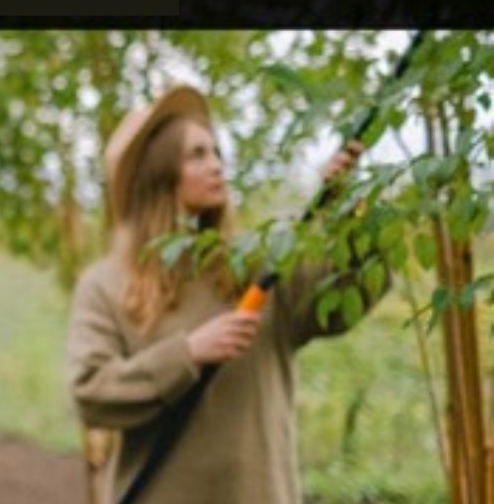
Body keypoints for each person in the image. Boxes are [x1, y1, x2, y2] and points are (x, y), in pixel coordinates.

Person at [67, 85, 382, 504]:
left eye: (217, 153)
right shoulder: (106, 284)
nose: (217, 166)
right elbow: (92, 393)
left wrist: (346, 211)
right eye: (197, 155)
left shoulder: (254, 265)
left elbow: (346, 301)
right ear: (156, 173)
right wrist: (189, 352)